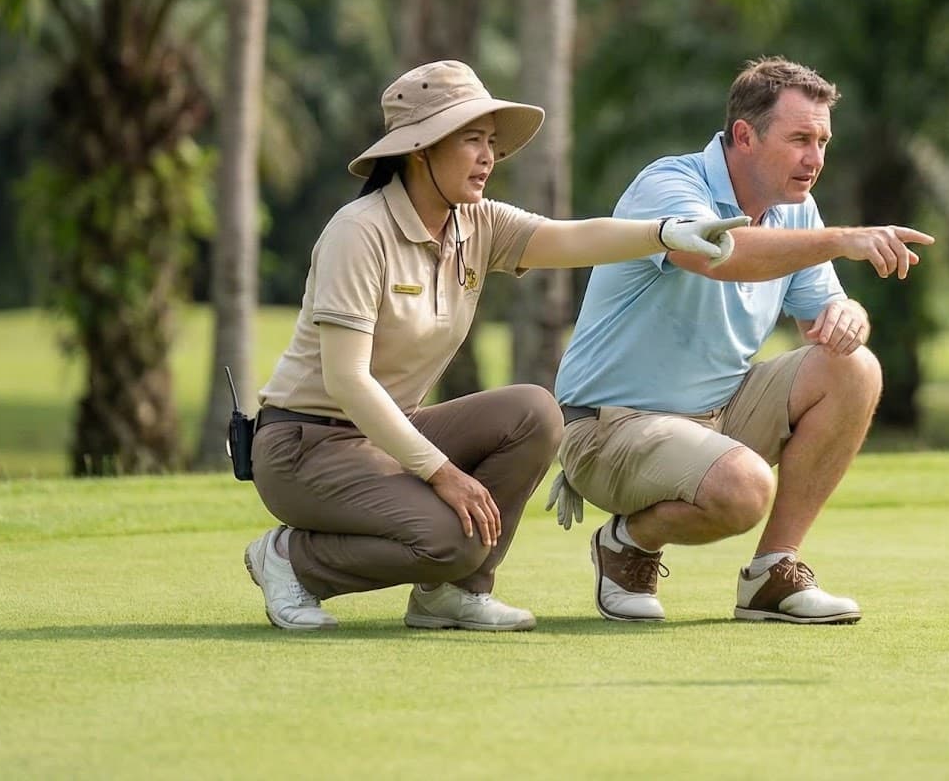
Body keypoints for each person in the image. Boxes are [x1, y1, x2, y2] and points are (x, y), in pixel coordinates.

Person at [242, 60, 745, 632]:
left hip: (387, 436)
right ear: (419, 150)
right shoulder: (359, 231)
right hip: (304, 446)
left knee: (532, 412)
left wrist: (663, 232)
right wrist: (440, 473)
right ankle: (291, 561)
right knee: (450, 538)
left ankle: (452, 595)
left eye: (490, 142)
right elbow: (347, 381)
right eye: (470, 140)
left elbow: (571, 236)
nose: (488, 157)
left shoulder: (474, 224)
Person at [547, 57, 933, 624]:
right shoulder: (669, 185)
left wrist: (850, 314)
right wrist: (843, 240)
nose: (816, 158)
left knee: (855, 367)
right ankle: (627, 543)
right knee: (744, 488)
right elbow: (717, 258)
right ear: (745, 136)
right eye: (801, 138)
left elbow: (823, 319)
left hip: (717, 415)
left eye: (823, 140)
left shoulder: (796, 212)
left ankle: (773, 573)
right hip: (607, 428)